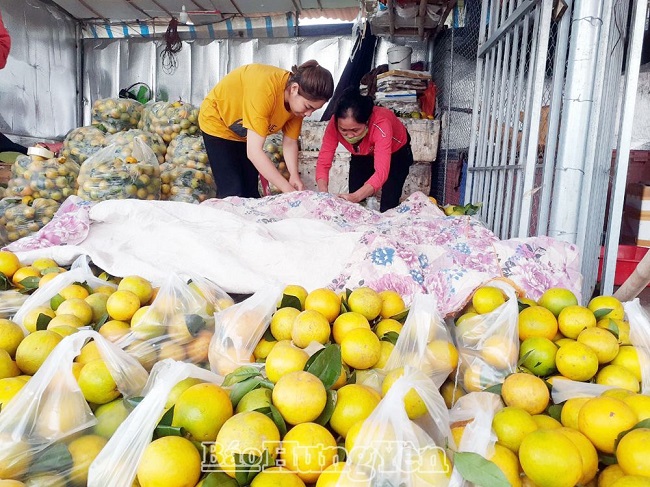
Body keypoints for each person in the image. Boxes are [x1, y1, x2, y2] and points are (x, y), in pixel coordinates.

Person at [199, 61, 334, 198]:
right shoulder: (265, 91)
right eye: (308, 107)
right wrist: (287, 189)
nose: (308, 114)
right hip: (218, 122)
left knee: (250, 194)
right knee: (233, 192)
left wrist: (294, 175)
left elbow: (290, 142)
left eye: (314, 110)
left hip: (244, 131)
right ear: (294, 88)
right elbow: (254, 152)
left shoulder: (297, 107)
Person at [316, 88, 414, 212]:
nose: (349, 136)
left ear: (367, 121)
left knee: (389, 202)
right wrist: (323, 194)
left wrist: (355, 197)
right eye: (343, 130)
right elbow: (323, 161)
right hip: (362, 152)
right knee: (354, 203)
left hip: (396, 153)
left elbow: (381, 172)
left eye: (355, 130)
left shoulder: (381, 124)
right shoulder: (334, 124)